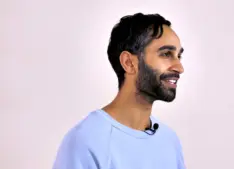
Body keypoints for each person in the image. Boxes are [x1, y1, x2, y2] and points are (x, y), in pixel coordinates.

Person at [52, 12, 186, 169]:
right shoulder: (86, 142)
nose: (179, 67)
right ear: (129, 63)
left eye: (178, 56)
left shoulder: (169, 140)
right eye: (166, 54)